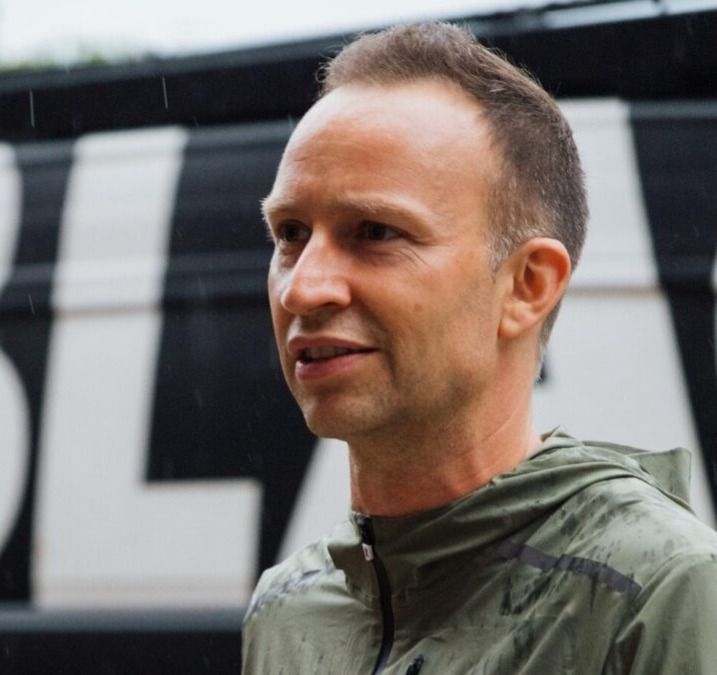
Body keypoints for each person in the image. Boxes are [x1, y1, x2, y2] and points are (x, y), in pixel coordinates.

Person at [242, 22, 717, 674]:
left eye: (375, 232)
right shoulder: (286, 609)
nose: (302, 287)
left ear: (527, 285)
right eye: (291, 233)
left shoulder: (662, 589)